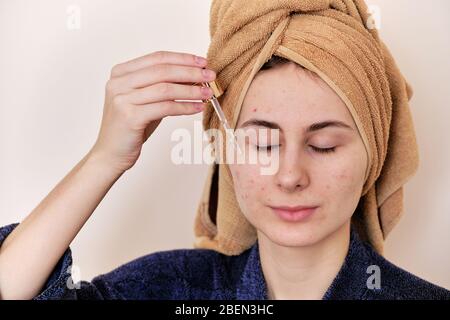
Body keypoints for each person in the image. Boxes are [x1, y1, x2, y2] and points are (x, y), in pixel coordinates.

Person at [0, 51, 449, 300]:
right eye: (262, 143)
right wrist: (105, 158)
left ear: (372, 158)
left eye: (324, 145)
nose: (289, 174)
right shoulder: (171, 289)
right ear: (227, 155)